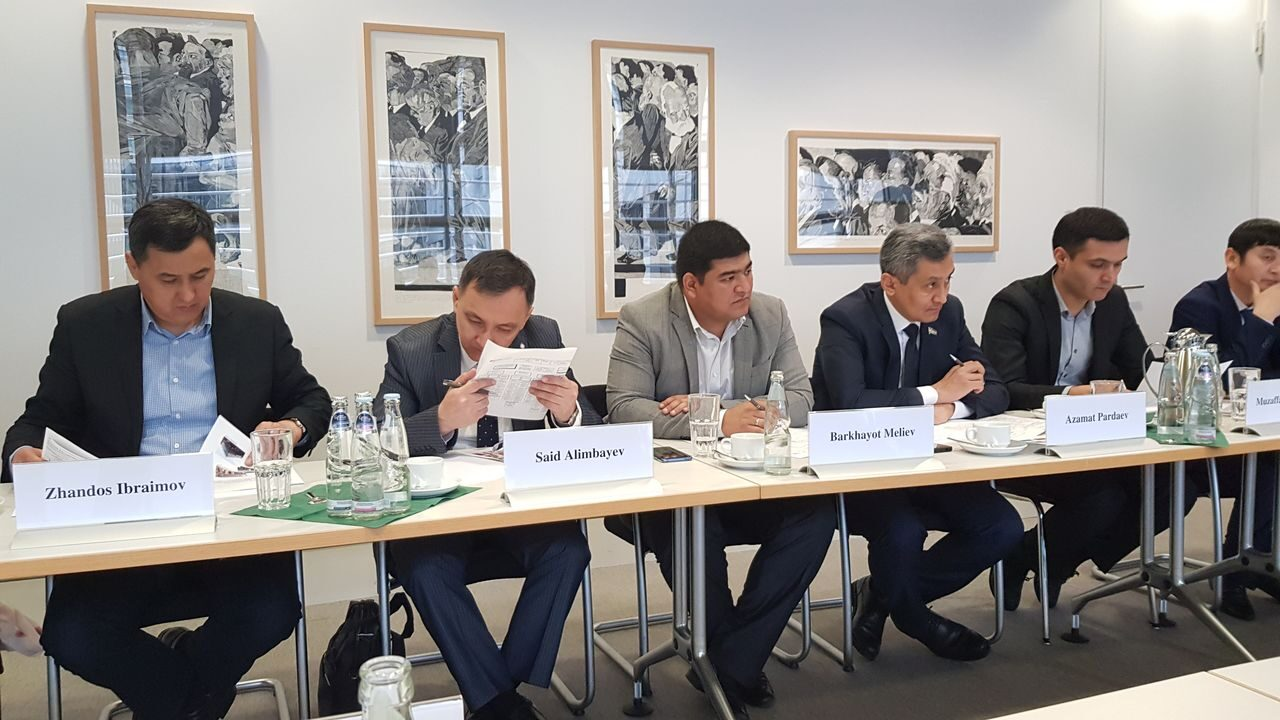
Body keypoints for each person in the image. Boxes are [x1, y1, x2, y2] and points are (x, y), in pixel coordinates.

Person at [3, 198, 329, 719]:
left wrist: (290, 427)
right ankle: (193, 698)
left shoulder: (256, 322)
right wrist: (24, 454)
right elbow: (37, 421)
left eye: (201, 276)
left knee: (272, 610)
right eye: (168, 280)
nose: (188, 295)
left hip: (229, 523)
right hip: (122, 525)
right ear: (134, 267)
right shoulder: (86, 325)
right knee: (71, 634)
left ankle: (176, 695)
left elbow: (311, 400)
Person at [608, 220, 834, 720]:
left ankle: (727, 663)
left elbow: (801, 400)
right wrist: (725, 418)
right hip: (675, 491)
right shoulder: (644, 319)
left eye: (748, 271)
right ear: (691, 284)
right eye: (729, 277)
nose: (744, 286)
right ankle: (736, 662)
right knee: (694, 527)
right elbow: (622, 409)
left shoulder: (770, 313)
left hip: (751, 482)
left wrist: (715, 410)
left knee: (816, 515)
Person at [374, 249, 596, 720]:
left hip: (519, 504)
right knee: (424, 569)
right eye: (474, 321)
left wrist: (568, 413)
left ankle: (496, 696)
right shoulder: (411, 348)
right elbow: (375, 441)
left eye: (505, 329)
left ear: (526, 318)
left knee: (569, 550)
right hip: (442, 511)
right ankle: (503, 706)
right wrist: (440, 420)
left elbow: (593, 430)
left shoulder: (544, 337)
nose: (485, 340)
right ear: (456, 299)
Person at [811, 223, 1021, 662]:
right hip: (862, 469)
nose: (942, 296)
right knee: (903, 531)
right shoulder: (845, 319)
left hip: (932, 466)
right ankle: (915, 618)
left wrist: (949, 410)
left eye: (948, 281)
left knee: (1002, 526)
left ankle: (881, 594)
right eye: (930, 285)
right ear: (890, 283)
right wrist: (934, 394)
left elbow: (996, 389)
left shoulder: (949, 314)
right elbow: (850, 403)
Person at [982, 207, 1193, 609]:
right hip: (1032, 447)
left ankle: (1043, 558)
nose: (1110, 276)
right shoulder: (1015, 304)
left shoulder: (1113, 302)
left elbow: (1141, 370)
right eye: (1098, 265)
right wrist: (1071, 394)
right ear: (1061, 257)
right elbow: (1004, 389)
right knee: (1103, 497)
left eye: (1118, 264)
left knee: (1175, 488)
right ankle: (1043, 558)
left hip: (1095, 439)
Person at [1170, 218, 1280, 620]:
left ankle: (1257, 562)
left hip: (1256, 433)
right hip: (1201, 445)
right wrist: (1260, 319)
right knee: (1269, 461)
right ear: (1232, 258)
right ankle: (1236, 570)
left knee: (1271, 457)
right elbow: (1216, 381)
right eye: (1267, 257)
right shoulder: (1200, 306)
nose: (1277, 270)